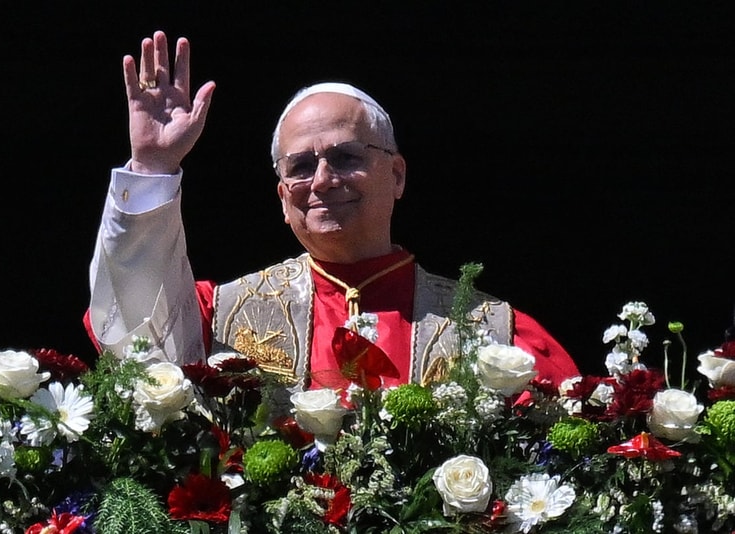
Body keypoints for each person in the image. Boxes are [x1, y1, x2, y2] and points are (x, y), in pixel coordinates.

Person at [85, 30, 579, 391]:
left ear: (398, 174)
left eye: (345, 157)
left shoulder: (497, 332)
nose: (322, 180)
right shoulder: (215, 314)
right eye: (299, 167)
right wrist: (152, 167)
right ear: (283, 198)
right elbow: (136, 337)